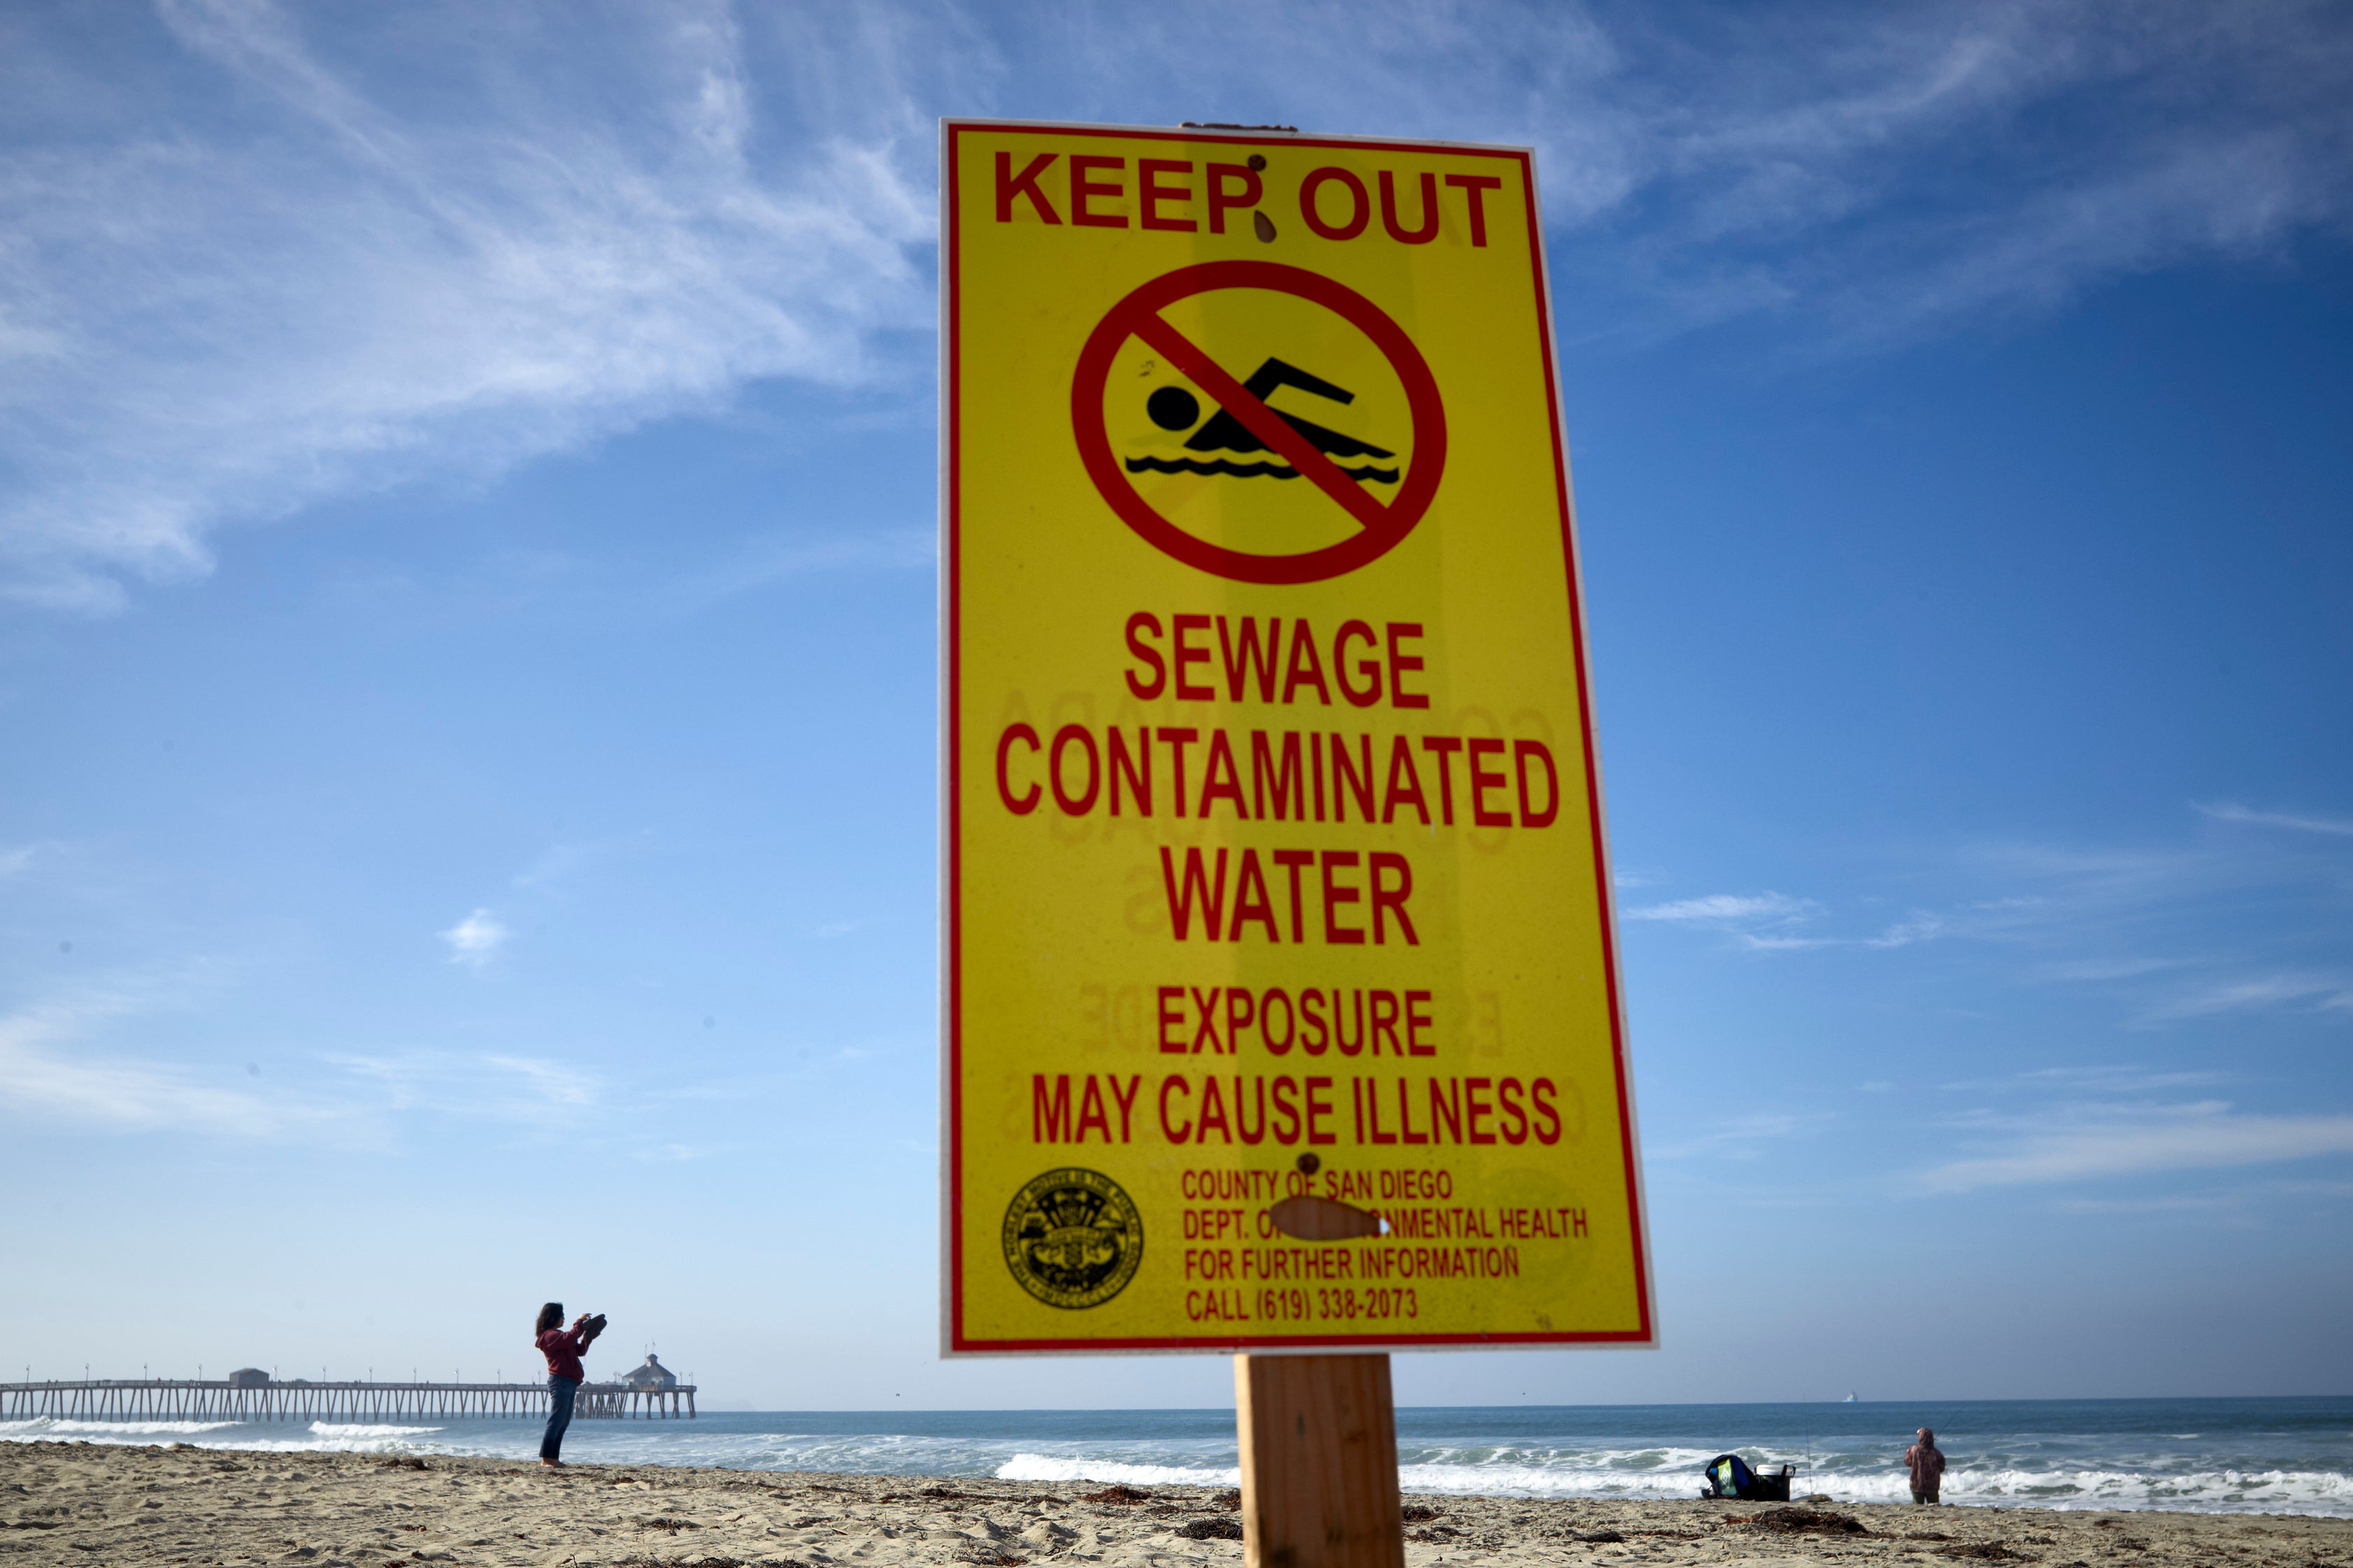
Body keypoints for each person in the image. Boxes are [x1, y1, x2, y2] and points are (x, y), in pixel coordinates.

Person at [533, 1302, 601, 1468]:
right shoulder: (549, 1336)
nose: (564, 1318)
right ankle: (547, 1458)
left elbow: (579, 1350)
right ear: (553, 1318)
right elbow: (571, 1337)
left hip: (569, 1382)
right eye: (562, 1316)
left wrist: (587, 1338)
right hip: (560, 1381)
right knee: (556, 1420)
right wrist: (579, 1322)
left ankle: (553, 1458)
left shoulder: (559, 1337)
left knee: (563, 1422)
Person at [1905, 1427, 1947, 1505]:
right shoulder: (1937, 1453)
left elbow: (1907, 1463)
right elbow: (1942, 1468)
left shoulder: (1913, 1450)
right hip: (1932, 1486)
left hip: (1916, 1484)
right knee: (1934, 1507)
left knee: (1918, 1507)